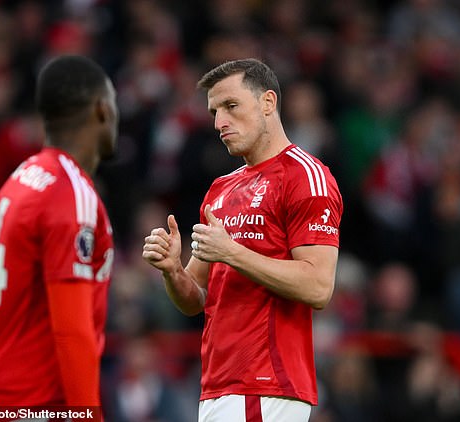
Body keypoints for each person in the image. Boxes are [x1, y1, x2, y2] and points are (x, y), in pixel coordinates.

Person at [142, 58, 343, 422]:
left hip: (266, 385)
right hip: (219, 385)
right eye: (214, 111)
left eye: (231, 106)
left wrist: (233, 252)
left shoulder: (306, 176)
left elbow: (318, 287)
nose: (219, 122)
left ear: (268, 103)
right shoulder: (221, 189)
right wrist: (172, 270)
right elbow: (195, 300)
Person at [0, 55, 119, 412]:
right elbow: (72, 329)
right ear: (100, 110)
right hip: (37, 401)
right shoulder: (70, 193)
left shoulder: (21, 178)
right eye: (113, 103)